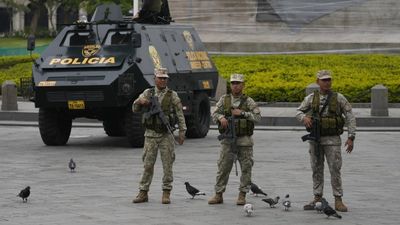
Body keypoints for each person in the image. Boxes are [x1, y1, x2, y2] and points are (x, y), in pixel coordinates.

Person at [296, 70, 356, 212]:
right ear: (318, 82)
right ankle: (317, 197)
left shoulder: (339, 98)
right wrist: (304, 118)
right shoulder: (311, 98)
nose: (327, 82)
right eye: (324, 80)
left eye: (329, 79)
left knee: (335, 169)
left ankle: (338, 199)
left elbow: (350, 116)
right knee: (316, 169)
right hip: (315, 139)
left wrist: (351, 136)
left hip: (332, 140)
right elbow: (298, 111)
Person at [132, 67, 186, 204]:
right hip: (150, 135)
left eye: (165, 78)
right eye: (160, 78)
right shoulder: (147, 93)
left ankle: (166, 192)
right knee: (148, 165)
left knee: (168, 165)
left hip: (166, 135)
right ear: (154, 78)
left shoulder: (172, 95)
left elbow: (180, 114)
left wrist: (182, 131)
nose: (163, 80)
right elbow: (134, 108)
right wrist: (140, 102)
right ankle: (143, 192)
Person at [208, 74, 261, 205]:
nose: (235, 85)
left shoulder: (248, 101)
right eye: (233, 83)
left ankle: (242, 194)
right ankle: (218, 194)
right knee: (223, 167)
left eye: (238, 83)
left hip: (244, 141)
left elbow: (258, 117)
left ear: (243, 85)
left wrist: (242, 113)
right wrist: (221, 118)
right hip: (227, 140)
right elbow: (214, 113)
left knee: (246, 168)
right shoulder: (224, 99)